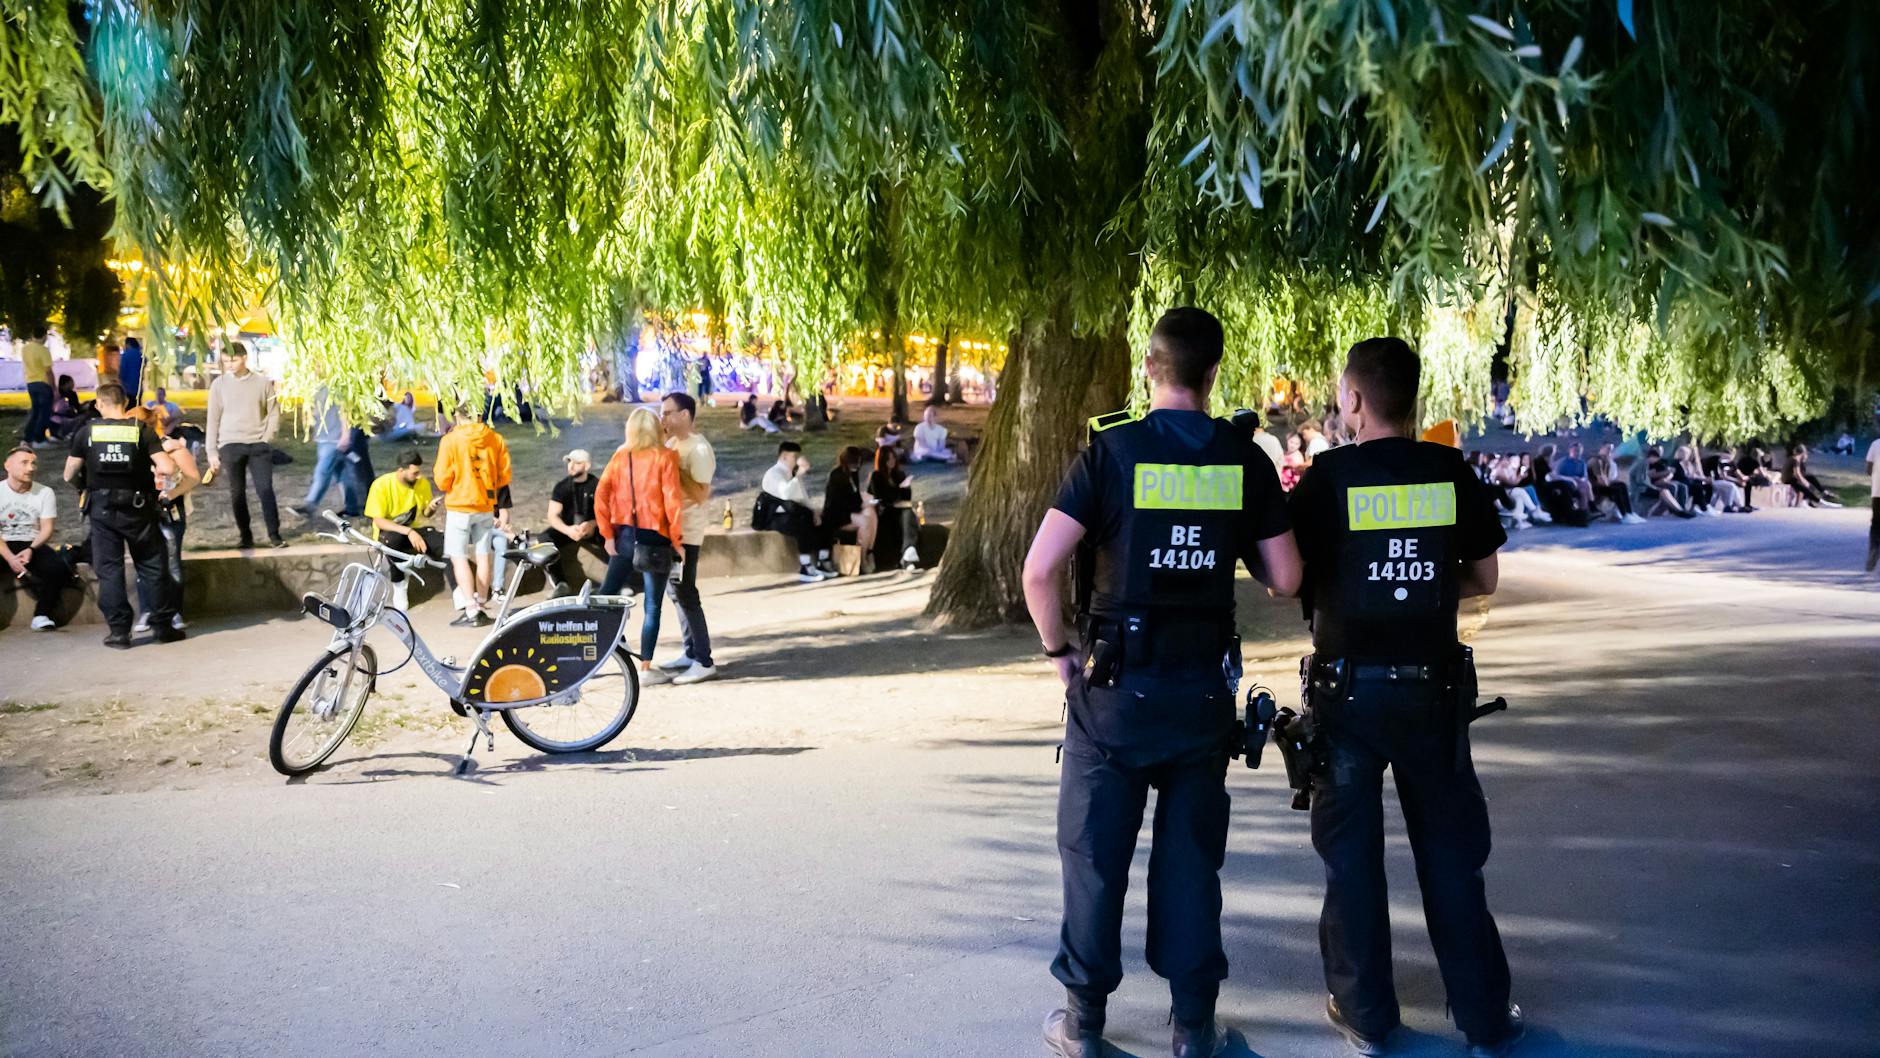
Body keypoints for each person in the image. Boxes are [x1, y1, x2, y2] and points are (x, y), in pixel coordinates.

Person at [1023, 307, 1301, 1058]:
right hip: (1200, 698)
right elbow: (1286, 577)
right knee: (1188, 863)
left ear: (1151, 368)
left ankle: (1083, 1025)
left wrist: (1061, 654)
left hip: (1113, 693)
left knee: (1092, 857)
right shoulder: (1242, 460)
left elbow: (1040, 570)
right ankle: (1191, 1028)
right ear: (1213, 375)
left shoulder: (1111, 452)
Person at [1283, 337, 1525, 1058]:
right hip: (1433, 697)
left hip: (1346, 699)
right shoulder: (1450, 472)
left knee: (1351, 861)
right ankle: (1484, 1017)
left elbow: (1288, 578)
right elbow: (1485, 578)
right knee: (1453, 858)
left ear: (1354, 399)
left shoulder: (1326, 479)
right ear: (1413, 399)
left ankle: (1365, 1015)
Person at [64, 383, 192, 647]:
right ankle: (162, 627)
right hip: (138, 509)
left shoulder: (87, 431)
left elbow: (68, 474)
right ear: (124, 402)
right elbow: (166, 468)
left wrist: (84, 484)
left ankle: (120, 632)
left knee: (109, 569)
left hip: (101, 509)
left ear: (100, 404)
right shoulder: (141, 431)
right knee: (152, 566)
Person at [595, 407, 684, 684]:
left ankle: (609, 648)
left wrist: (607, 534)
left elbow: (602, 495)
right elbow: (672, 502)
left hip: (625, 534)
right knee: (653, 604)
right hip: (656, 536)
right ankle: (645, 667)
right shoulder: (666, 457)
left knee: (605, 597)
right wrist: (677, 541)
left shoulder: (621, 457)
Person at [432, 402, 512, 625]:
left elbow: (441, 479)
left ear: (457, 416)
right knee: (484, 554)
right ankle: (483, 601)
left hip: (459, 506)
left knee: (459, 557)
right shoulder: (495, 439)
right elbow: (504, 476)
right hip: (485, 505)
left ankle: (471, 607)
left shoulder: (450, 441)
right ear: (478, 414)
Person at [659, 392, 719, 685]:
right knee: (675, 592)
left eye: (669, 413)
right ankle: (690, 651)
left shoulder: (698, 449)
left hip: (689, 532)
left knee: (686, 592)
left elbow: (701, 494)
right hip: (670, 530)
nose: (664, 418)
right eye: (662, 413)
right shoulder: (672, 443)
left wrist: (673, 466)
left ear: (685, 415)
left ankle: (704, 660)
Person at [205, 341, 286, 549]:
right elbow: (212, 419)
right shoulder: (219, 385)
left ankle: (274, 534)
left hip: (258, 444)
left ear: (244, 358)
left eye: (233, 360)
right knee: (237, 492)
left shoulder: (262, 382)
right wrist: (211, 451)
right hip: (230, 443)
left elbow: (273, 411)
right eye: (225, 362)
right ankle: (245, 536)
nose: (229, 365)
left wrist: (267, 437)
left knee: (265, 489)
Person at [127, 407, 200, 632]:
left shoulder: (172, 448)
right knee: (143, 563)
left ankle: (174, 611)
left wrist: (169, 495)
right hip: (141, 512)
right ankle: (148, 610)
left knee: (170, 562)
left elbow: (193, 477)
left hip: (170, 513)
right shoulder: (133, 449)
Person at [363, 449, 453, 614]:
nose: (418, 476)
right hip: (391, 530)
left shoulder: (422, 483)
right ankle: (399, 584)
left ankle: (460, 591)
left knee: (446, 545)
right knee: (391, 543)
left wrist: (431, 508)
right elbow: (379, 521)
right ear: (401, 470)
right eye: (414, 473)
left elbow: (424, 514)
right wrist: (408, 532)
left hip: (417, 529)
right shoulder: (381, 485)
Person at [0, 446, 73, 630]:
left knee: (57, 569)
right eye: (24, 463)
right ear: (7, 465)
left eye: (33, 463)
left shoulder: (44, 492)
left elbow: (47, 528)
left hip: (32, 543)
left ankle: (42, 614)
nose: (31, 468)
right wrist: (10, 558)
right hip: (3, 543)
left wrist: (31, 549)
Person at [754, 442, 830, 582]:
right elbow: (786, 494)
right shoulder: (773, 474)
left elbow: (802, 495)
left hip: (790, 513)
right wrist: (799, 474)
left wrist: (814, 512)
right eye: (794, 456)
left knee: (817, 518)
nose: (797, 460)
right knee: (802, 522)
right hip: (773, 518)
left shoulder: (791, 473)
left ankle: (822, 561)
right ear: (784, 457)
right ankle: (805, 566)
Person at [543, 449, 608, 597]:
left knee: (617, 533)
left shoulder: (597, 485)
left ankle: (617, 581)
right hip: (569, 529)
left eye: (577, 463)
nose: (571, 466)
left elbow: (608, 512)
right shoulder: (562, 487)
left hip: (593, 528)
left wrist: (593, 523)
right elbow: (552, 516)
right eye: (569, 462)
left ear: (587, 466)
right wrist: (567, 530)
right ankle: (560, 583)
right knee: (544, 540)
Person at [822, 445, 878, 572]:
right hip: (837, 515)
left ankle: (869, 550)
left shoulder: (853, 474)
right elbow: (837, 503)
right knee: (865, 521)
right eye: (855, 463)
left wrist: (865, 504)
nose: (857, 466)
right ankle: (862, 559)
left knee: (871, 513)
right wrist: (859, 506)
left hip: (851, 510)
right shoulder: (836, 475)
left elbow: (856, 495)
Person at [869, 444, 921, 572]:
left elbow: (906, 498)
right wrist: (899, 489)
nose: (891, 461)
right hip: (886, 512)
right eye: (888, 459)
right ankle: (907, 554)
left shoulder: (899, 474)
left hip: (901, 509)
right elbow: (883, 498)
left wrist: (906, 488)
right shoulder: (877, 476)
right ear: (882, 460)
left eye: (893, 458)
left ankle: (908, 552)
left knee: (908, 513)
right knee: (908, 513)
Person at [1587, 443, 1643, 523]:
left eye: (1611, 449)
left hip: (1602, 486)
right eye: (1608, 449)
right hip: (1594, 488)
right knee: (1616, 489)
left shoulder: (1606, 462)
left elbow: (1608, 479)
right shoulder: (1596, 461)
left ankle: (1629, 513)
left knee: (1622, 485)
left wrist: (1612, 481)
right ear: (1601, 448)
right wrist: (1610, 482)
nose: (1610, 451)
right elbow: (1601, 481)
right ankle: (1624, 515)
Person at [19, 327, 55, 446]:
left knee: (35, 412)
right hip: (43, 383)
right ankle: (39, 439)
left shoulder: (25, 349)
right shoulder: (43, 350)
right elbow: (48, 371)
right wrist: (53, 387)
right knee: (44, 412)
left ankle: (27, 438)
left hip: (30, 383)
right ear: (44, 336)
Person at [1783, 442, 1841, 508]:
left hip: (1789, 479)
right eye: (1806, 454)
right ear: (1803, 453)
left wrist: (1805, 481)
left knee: (1810, 478)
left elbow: (1799, 474)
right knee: (1805, 487)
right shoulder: (1796, 460)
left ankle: (1822, 493)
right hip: (1789, 480)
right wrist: (1805, 482)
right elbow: (1797, 474)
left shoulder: (1794, 458)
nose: (1807, 456)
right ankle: (1820, 502)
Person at [50, 375, 92, 440]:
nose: (73, 384)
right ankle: (73, 433)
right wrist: (86, 406)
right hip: (64, 420)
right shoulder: (69, 395)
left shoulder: (55, 394)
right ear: (66, 384)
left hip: (54, 422)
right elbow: (76, 409)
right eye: (71, 382)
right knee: (87, 416)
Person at [1865, 428, 1879, 572]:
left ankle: (1874, 549)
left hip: (1878, 492)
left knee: (1876, 524)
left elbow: (1868, 468)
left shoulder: (1875, 444)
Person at [118, 336, 145, 405]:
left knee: (128, 408)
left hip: (127, 387)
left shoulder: (125, 355)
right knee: (137, 406)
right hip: (138, 387)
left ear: (128, 344)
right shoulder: (140, 355)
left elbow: (122, 372)